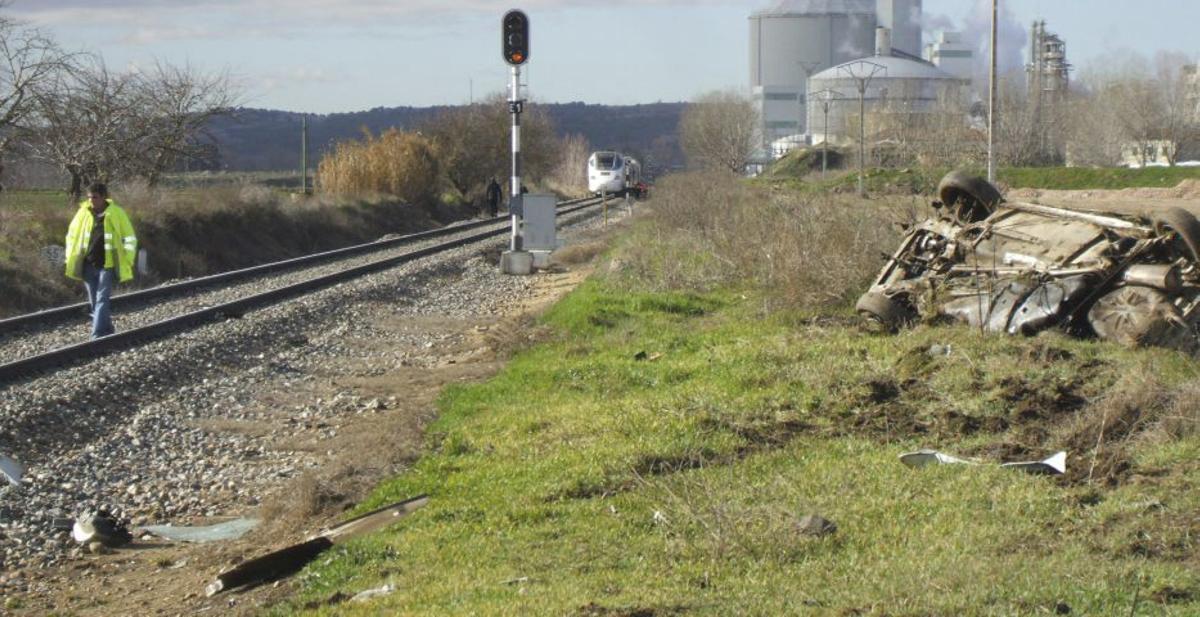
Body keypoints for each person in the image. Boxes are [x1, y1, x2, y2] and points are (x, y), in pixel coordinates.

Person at [64, 182, 137, 339]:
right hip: (87, 264)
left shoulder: (117, 213)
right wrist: (71, 256)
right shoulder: (82, 213)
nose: (91, 200)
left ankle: (96, 334)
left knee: (102, 299)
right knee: (94, 300)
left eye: (95, 197)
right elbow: (71, 236)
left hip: (107, 265)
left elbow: (130, 238)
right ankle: (107, 329)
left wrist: (128, 259)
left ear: (104, 197)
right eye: (89, 197)